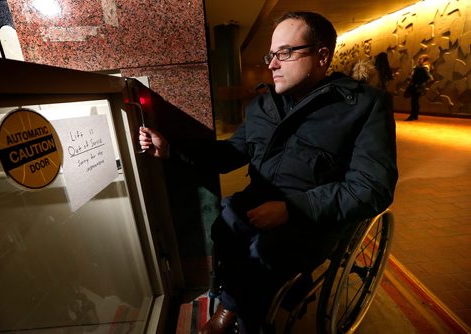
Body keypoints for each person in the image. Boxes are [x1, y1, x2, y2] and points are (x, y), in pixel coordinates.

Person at [139, 11, 398, 334]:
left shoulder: (363, 106)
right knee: (227, 223)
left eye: (285, 53)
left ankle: (234, 313)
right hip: (255, 209)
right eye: (271, 55)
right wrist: (171, 149)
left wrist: (293, 210)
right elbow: (230, 154)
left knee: (264, 251)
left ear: (321, 56)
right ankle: (239, 301)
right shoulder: (263, 106)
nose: (272, 64)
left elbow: (372, 187)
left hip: (313, 221)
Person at [405, 54, 432, 121]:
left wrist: (421, 84)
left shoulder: (423, 68)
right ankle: (414, 115)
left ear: (424, 60)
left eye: (420, 59)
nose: (418, 60)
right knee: (414, 101)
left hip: (417, 87)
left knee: (414, 101)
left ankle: (413, 115)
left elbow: (429, 78)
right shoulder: (419, 67)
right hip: (416, 86)